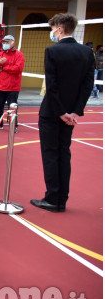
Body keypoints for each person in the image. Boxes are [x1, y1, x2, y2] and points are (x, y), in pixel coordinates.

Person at [31, 13, 95, 213]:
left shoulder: (53, 50)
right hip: (69, 114)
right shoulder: (86, 52)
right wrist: (75, 111)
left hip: (52, 113)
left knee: (51, 154)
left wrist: (60, 112)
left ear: (59, 29)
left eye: (52, 29)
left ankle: (52, 198)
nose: (52, 32)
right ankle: (61, 199)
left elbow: (52, 85)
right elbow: (87, 85)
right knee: (64, 153)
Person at [0, 34, 25, 132]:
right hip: (0, 86)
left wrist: (3, 68)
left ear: (13, 43)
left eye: (7, 42)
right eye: (3, 42)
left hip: (13, 87)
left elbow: (18, 69)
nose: (5, 44)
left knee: (12, 107)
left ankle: (14, 126)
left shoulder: (19, 55)